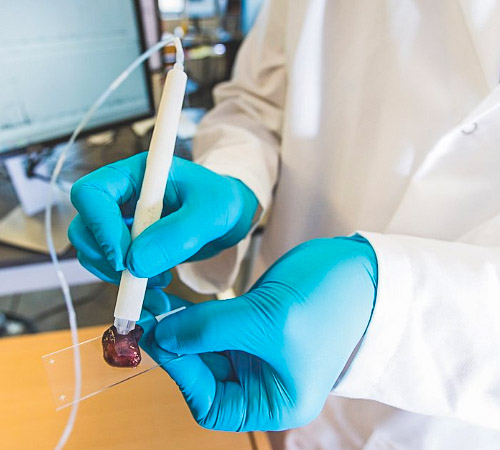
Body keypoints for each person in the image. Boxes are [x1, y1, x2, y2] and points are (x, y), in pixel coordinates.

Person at [67, 1, 500, 448]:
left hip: (459, 421)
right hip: (268, 362)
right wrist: (236, 185)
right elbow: (258, 100)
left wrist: (387, 307)